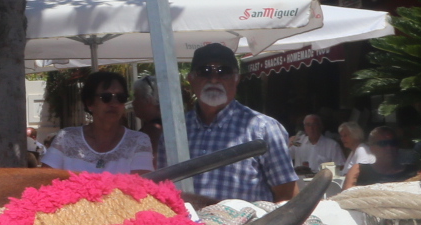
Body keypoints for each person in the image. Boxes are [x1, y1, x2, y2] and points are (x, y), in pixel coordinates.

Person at [183, 43, 297, 204]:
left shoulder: (264, 129)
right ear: (191, 79)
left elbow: (287, 198)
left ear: (237, 79)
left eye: (224, 72)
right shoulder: (176, 132)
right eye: (205, 71)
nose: (214, 79)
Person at [42, 72, 157, 175]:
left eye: (120, 97)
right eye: (106, 97)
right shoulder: (66, 137)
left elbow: (140, 188)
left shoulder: (138, 141)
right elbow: (44, 181)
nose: (114, 103)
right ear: (89, 103)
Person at [344, 125, 411, 189]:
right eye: (383, 143)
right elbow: (345, 198)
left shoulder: (412, 172)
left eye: (393, 143)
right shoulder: (358, 171)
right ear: (371, 148)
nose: (389, 147)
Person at [288, 113, 339, 179]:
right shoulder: (298, 142)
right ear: (304, 128)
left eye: (314, 124)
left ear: (321, 126)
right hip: (300, 182)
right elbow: (284, 157)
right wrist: (288, 144)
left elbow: (340, 166)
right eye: (308, 125)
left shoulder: (332, 145)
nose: (311, 128)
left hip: (322, 182)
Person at [132, 74, 164, 169]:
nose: (133, 102)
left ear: (148, 100)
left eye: (136, 97)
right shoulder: (166, 126)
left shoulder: (152, 131)